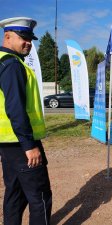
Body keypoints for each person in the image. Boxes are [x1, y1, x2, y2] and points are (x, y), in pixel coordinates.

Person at [0, 17, 52, 225]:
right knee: (39, 197)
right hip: (22, 144)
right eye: (24, 37)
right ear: (7, 36)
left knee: (15, 194)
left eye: (30, 38)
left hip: (8, 143)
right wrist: (29, 145)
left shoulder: (4, 61)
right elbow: (16, 108)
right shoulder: (12, 64)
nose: (28, 42)